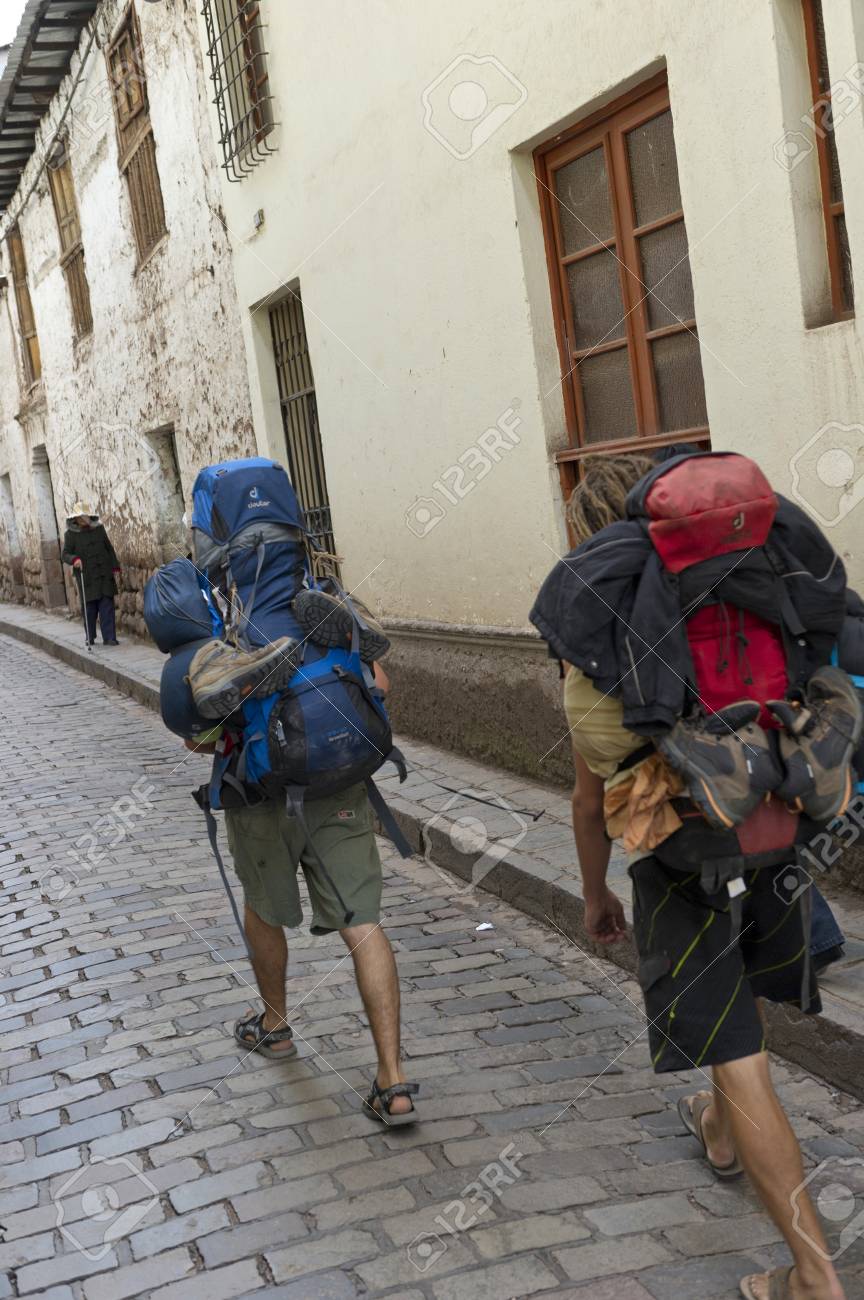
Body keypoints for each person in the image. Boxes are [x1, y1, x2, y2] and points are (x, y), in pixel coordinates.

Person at [534, 453, 851, 1300]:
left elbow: (588, 797)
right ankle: (717, 1129)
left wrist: (596, 892)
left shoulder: (601, 631)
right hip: (781, 834)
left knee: (738, 1054)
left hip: (690, 860)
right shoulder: (749, 586)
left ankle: (813, 1277)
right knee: (734, 1006)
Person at [184, 625, 419, 1127]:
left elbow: (196, 736)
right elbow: (380, 685)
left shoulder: (216, 627)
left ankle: (275, 1025)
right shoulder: (322, 610)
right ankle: (392, 1081)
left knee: (263, 908)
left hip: (258, 795)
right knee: (363, 922)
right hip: (336, 789)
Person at [61, 501, 121, 646]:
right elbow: (65, 554)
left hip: (103, 573)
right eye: (80, 517)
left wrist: (115, 567)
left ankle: (110, 637)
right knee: (90, 609)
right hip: (86, 576)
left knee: (107, 605)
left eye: (85, 516)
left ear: (89, 516)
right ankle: (90, 636)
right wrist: (74, 559)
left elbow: (109, 548)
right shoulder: (70, 535)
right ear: (75, 519)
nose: (83, 519)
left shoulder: (99, 529)